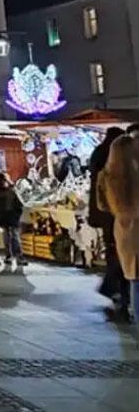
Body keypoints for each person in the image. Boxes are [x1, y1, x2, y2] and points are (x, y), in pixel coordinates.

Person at [100, 130, 139, 323]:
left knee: (134, 280)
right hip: (136, 229)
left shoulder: (107, 177)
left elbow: (101, 205)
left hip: (123, 230)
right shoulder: (136, 175)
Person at [89, 127, 128, 320]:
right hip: (121, 224)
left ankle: (117, 298)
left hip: (112, 223)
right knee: (122, 265)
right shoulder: (116, 171)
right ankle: (119, 298)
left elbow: (100, 203)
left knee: (118, 261)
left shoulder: (100, 161)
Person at [0, 172, 24, 272]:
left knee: (12, 236)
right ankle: (14, 256)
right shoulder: (11, 190)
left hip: (10, 215)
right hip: (9, 216)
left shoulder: (1, 192)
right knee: (10, 236)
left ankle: (14, 256)